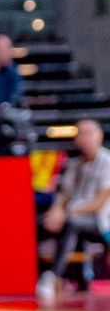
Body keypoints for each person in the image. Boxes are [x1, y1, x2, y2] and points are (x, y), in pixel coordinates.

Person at [38, 120, 110, 298]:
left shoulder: (107, 162)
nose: (84, 138)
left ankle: (54, 276)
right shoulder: (74, 164)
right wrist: (56, 211)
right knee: (40, 223)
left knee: (72, 223)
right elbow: (63, 194)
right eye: (80, 134)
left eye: (88, 133)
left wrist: (67, 213)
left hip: (101, 221)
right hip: (72, 215)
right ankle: (38, 273)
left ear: (99, 135)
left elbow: (99, 204)